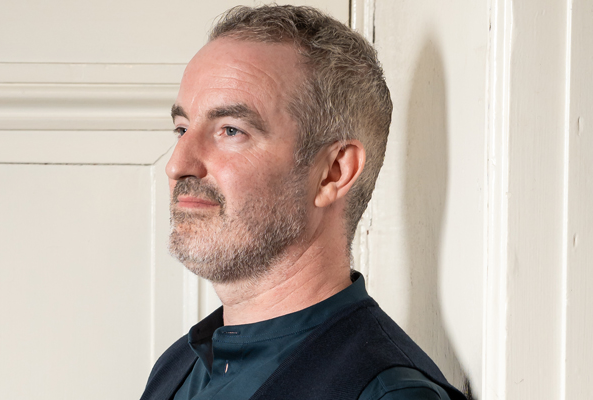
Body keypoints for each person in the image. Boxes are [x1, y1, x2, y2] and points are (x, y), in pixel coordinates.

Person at [139, 5, 468, 400]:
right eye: (182, 128)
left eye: (230, 130)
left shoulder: (386, 394)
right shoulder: (179, 367)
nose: (177, 165)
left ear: (333, 172)